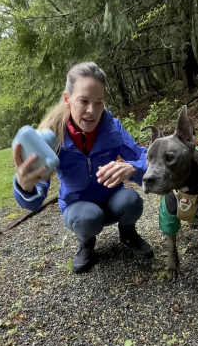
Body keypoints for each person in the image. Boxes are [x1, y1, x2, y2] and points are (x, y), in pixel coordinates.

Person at [13, 62, 153, 273]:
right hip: (78, 207)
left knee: (132, 200)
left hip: (113, 200)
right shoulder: (53, 136)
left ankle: (128, 233)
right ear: (67, 99)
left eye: (99, 102)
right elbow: (34, 200)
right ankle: (87, 242)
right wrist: (25, 186)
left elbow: (144, 159)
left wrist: (132, 167)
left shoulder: (111, 127)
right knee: (88, 218)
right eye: (84, 101)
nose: (92, 111)